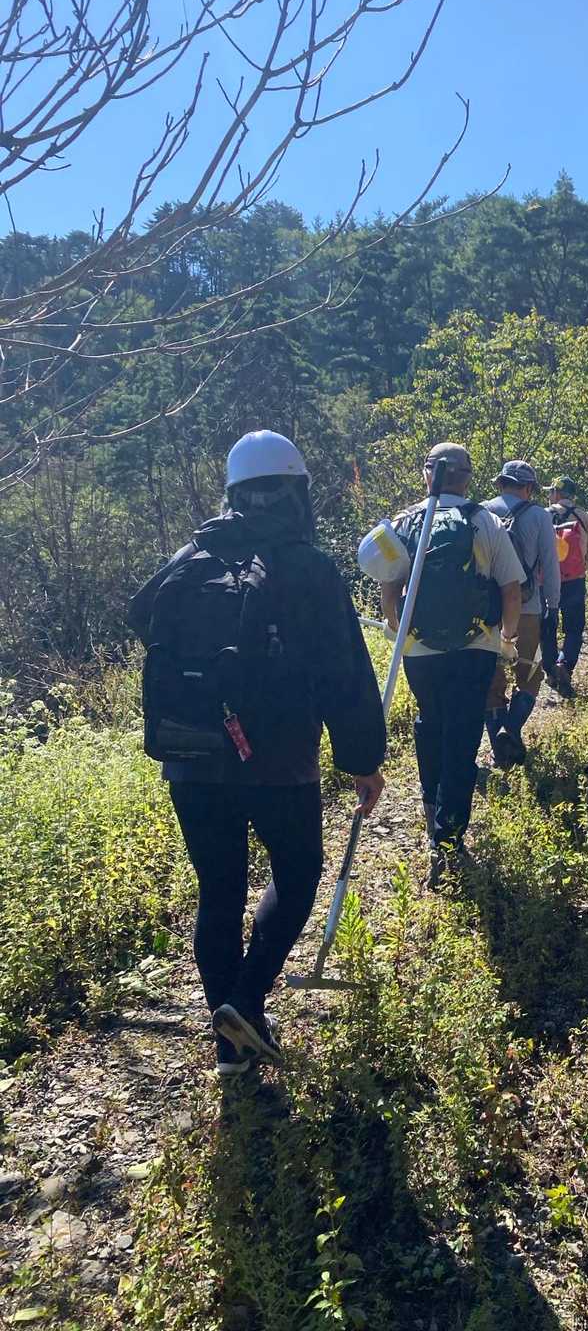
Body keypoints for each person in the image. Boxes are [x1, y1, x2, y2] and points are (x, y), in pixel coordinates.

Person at [128, 431, 387, 1077]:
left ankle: (231, 1049)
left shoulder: (191, 556)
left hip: (190, 755)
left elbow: (141, 615)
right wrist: (362, 760)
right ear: (295, 493)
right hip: (277, 760)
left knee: (218, 891)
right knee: (297, 874)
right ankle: (245, 1002)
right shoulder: (310, 568)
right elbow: (345, 676)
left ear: (234, 493)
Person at [376, 442, 524, 888]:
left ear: (428, 474)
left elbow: (388, 593)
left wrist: (403, 633)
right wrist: (506, 640)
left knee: (430, 722)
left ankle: (431, 815)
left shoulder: (403, 523)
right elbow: (511, 589)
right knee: (462, 736)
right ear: (467, 478)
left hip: (419, 651)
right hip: (476, 647)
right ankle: (449, 839)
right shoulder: (485, 521)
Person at [482, 461, 562, 767]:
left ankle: (498, 752)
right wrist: (553, 605)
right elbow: (550, 565)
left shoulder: (480, 512)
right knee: (530, 674)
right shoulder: (539, 515)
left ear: (501, 483)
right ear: (528, 487)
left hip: (487, 613)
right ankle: (511, 729)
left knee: (491, 681)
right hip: (527, 608)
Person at [540, 475, 588, 698]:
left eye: (550, 491)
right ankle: (565, 665)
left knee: (547, 625)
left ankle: (550, 670)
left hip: (546, 580)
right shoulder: (584, 517)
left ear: (556, 493)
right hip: (575, 579)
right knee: (574, 627)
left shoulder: (542, 515)